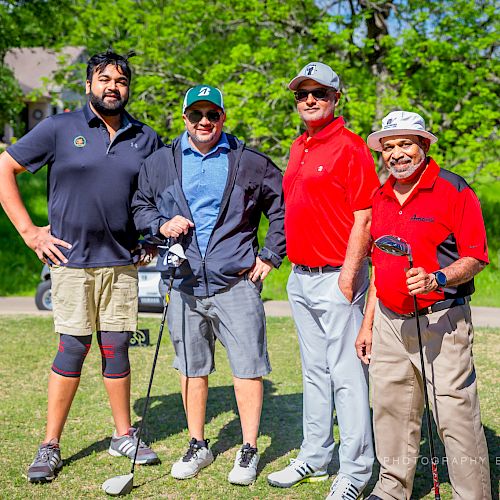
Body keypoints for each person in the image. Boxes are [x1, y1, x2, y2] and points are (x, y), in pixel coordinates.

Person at [0, 51, 163, 483]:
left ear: (129, 88)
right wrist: (30, 232)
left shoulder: (145, 138)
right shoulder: (59, 127)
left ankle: (123, 434)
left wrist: (152, 239)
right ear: (89, 83)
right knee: (72, 348)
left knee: (117, 348)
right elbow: (5, 167)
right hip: (70, 262)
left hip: (122, 264)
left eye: (121, 81)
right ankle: (50, 445)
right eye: (104, 79)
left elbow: (162, 194)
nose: (113, 86)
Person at [132, 84, 285, 485]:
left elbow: (281, 206)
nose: (204, 122)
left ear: (222, 117)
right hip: (182, 283)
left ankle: (248, 449)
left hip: (235, 282)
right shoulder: (161, 161)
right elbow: (140, 206)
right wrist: (160, 225)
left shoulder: (248, 161)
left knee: (248, 369)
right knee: (190, 369)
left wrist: (270, 254)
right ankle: (198, 443)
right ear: (184, 118)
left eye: (212, 115)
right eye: (196, 115)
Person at [356, 110, 492, 500]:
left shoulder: (454, 189)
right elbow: (379, 268)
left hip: (441, 321)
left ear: (424, 146)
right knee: (391, 411)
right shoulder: (380, 196)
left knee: (454, 415)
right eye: (389, 146)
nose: (396, 154)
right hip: (388, 321)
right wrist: (367, 325)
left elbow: (476, 256)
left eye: (405, 144)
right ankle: (391, 488)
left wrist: (438, 278)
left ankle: (473, 494)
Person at [267, 62, 378, 499]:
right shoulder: (298, 146)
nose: (309, 100)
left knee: (348, 377)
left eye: (319, 93)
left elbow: (365, 217)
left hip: (338, 277)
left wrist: (349, 277)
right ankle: (315, 455)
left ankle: (355, 469)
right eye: (301, 94)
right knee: (314, 374)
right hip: (300, 277)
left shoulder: (351, 147)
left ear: (336, 99)